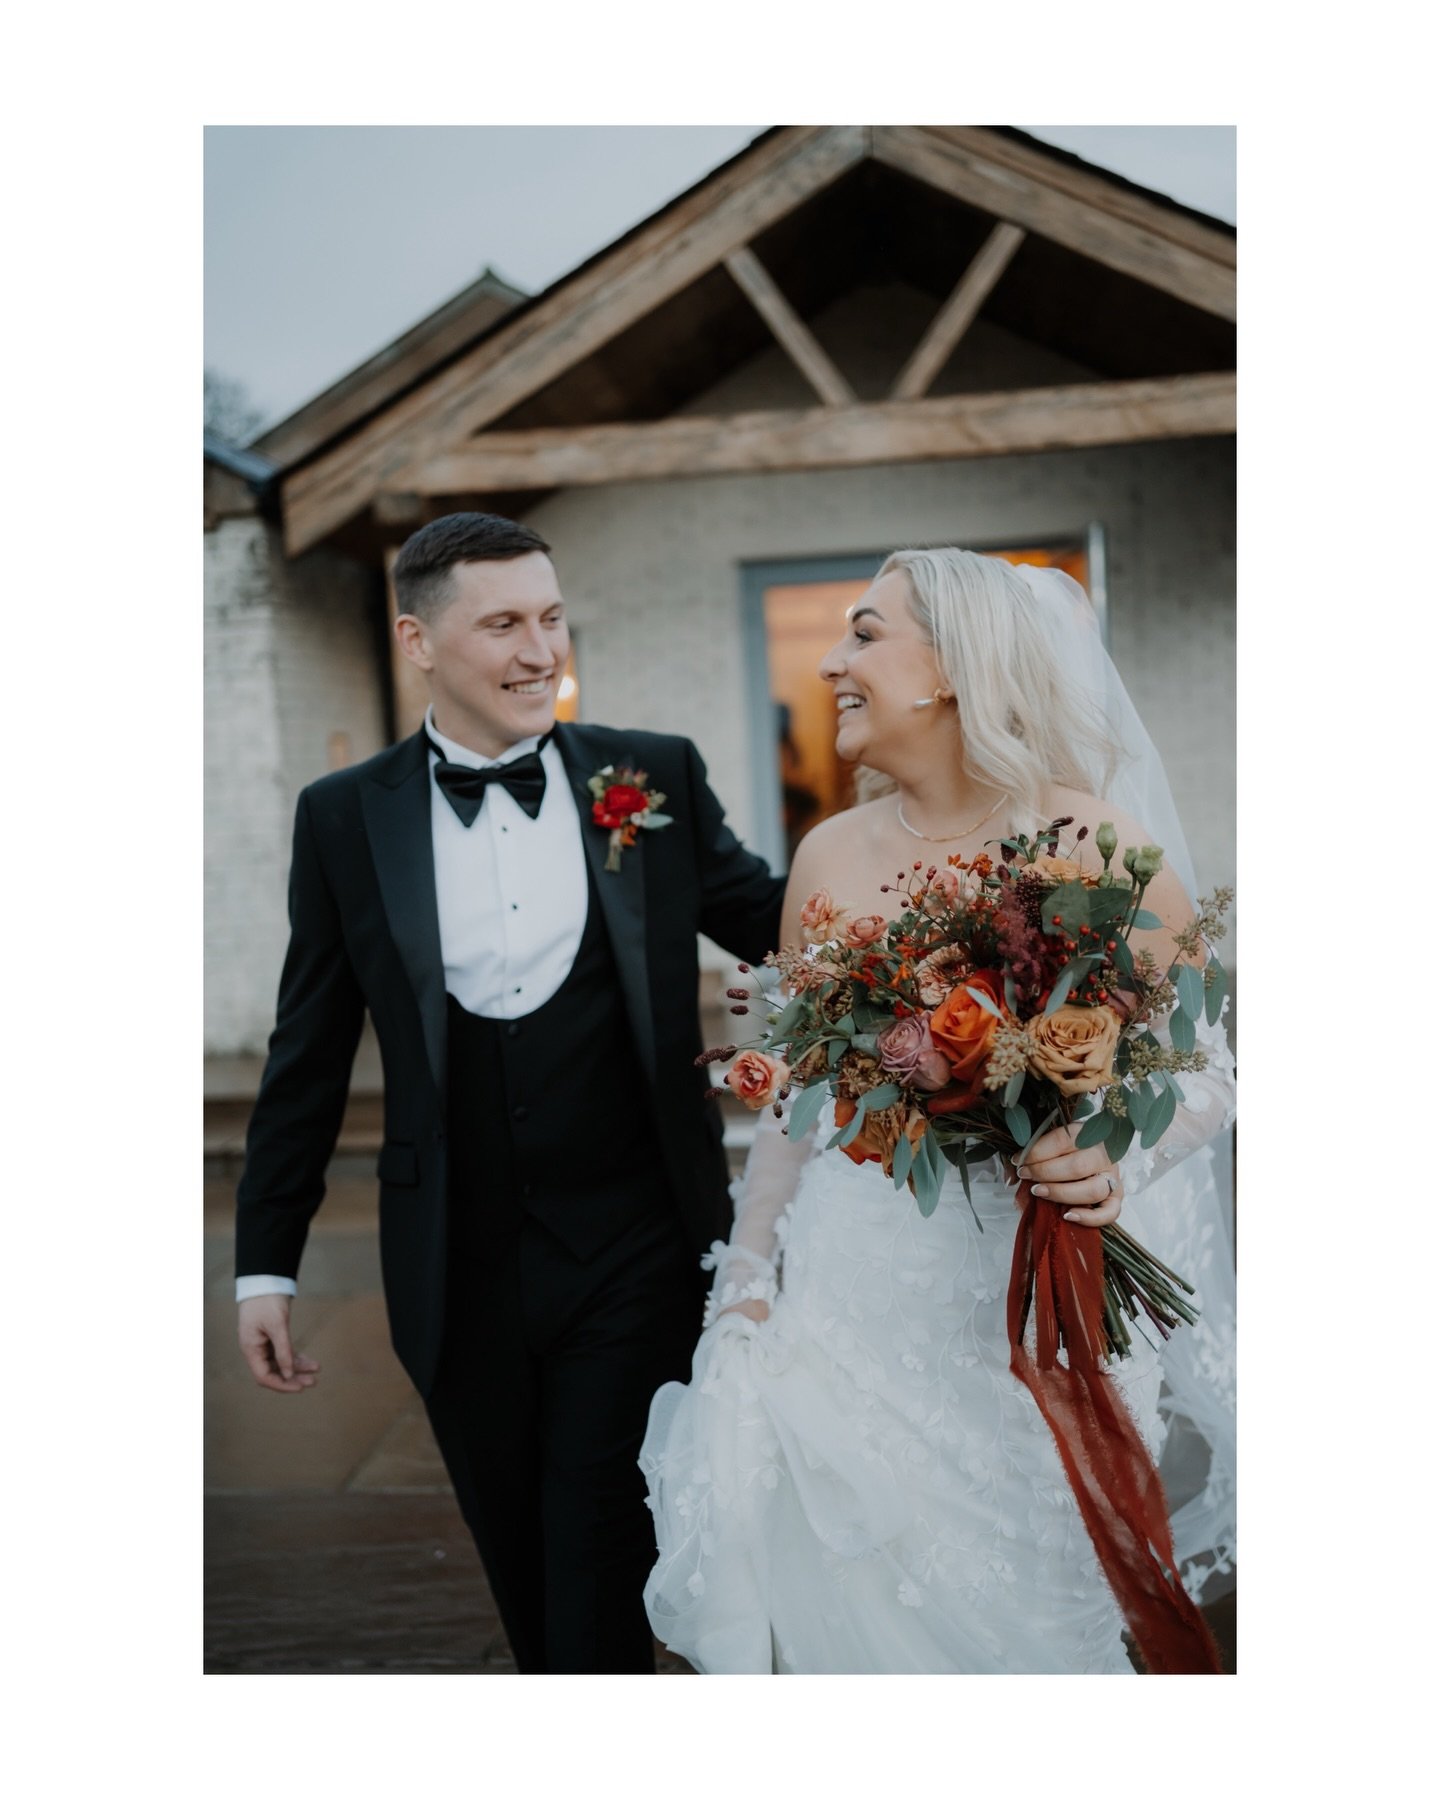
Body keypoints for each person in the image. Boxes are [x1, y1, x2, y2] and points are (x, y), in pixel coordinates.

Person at [640, 548, 1237, 1674]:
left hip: (1032, 1316)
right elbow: (800, 1109)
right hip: (853, 1310)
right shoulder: (823, 857)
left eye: (865, 634)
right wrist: (751, 1286)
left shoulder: (1099, 849)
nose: (830, 663)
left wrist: (1114, 1163)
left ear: (954, 671)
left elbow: (1203, 1071)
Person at [234, 511, 785, 1674]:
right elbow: (309, 1048)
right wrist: (265, 1262)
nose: (542, 651)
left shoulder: (651, 776)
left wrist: (953, 910)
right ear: (417, 641)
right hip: (453, 1256)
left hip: (636, 1241)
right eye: (503, 624)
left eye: (551, 617)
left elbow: (783, 920)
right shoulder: (344, 816)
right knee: (518, 1556)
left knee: (594, 1531)